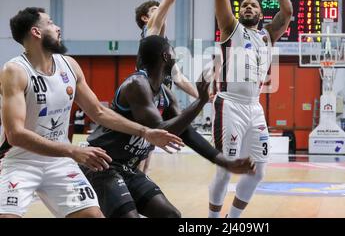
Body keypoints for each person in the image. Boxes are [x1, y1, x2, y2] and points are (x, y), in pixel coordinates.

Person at [0, 8, 182, 218]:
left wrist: (145, 132)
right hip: (23, 163)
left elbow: (98, 112)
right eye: (50, 23)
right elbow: (15, 134)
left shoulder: (69, 65)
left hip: (58, 162)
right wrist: (72, 151)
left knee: (93, 216)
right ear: (36, 32)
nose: (57, 28)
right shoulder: (15, 71)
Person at [81, 36, 255, 218]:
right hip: (101, 164)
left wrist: (224, 161)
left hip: (127, 167)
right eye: (173, 52)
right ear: (165, 56)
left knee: (171, 215)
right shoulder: (137, 85)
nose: (176, 57)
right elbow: (160, 130)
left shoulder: (165, 94)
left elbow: (185, 132)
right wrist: (200, 102)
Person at [209, 0, 293, 218]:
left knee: (258, 171)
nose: (248, 7)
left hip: (254, 108)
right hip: (229, 104)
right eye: (244, 4)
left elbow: (288, 10)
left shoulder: (268, 35)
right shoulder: (231, 29)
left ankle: (232, 220)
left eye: (253, 5)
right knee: (226, 167)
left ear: (260, 14)